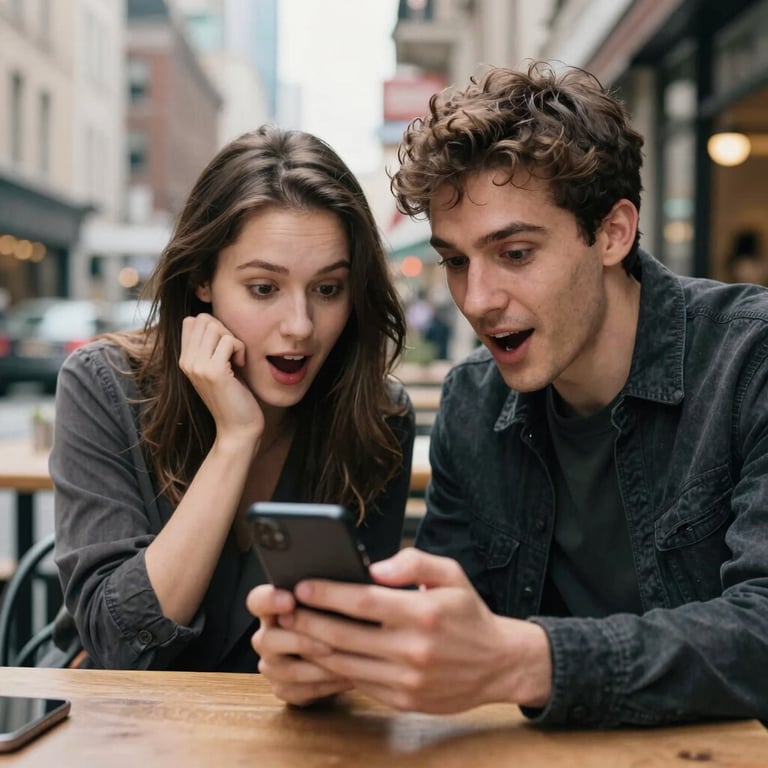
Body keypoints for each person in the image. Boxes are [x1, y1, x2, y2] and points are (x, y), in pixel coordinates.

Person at [247, 61, 768, 726]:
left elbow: (760, 632)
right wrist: (352, 655)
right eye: (457, 261)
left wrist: (527, 661)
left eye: (515, 253)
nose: (479, 300)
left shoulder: (750, 360)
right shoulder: (474, 402)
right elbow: (453, 619)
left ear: (613, 232)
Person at [49, 125, 415, 671]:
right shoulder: (104, 385)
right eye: (264, 288)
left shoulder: (376, 417)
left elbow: (357, 643)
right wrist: (236, 439)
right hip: (124, 732)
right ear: (202, 279)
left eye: (328, 289)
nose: (300, 327)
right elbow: (119, 645)